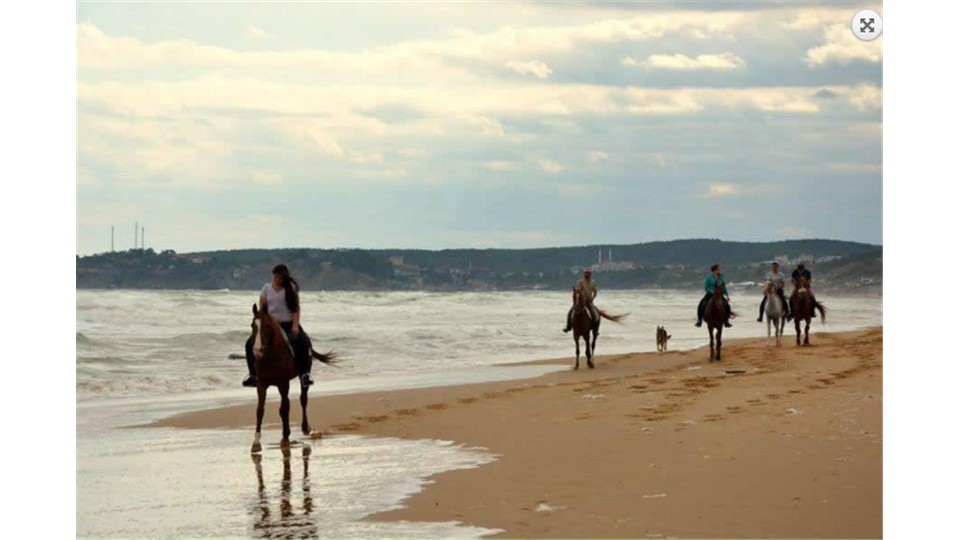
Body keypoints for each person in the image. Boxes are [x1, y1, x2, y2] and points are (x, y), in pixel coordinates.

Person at [243, 264, 314, 388]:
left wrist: (295, 326)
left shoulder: (290, 289)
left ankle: (305, 375)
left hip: (287, 324)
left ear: (284, 278)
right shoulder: (266, 288)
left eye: (280, 278)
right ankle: (252, 375)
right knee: (249, 343)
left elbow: (296, 309)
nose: (277, 280)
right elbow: (262, 310)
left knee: (304, 342)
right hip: (270, 325)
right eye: (275, 277)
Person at [695, 263, 732, 328]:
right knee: (701, 304)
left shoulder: (721, 277)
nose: (720, 270)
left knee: (727, 305)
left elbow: (723, 287)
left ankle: (726, 321)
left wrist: (727, 295)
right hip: (710, 294)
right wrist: (712, 292)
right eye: (719, 269)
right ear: (714, 270)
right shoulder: (709, 278)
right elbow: (706, 287)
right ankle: (699, 320)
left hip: (719, 294)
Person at [563, 268, 599, 333]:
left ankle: (595, 330)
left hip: (588, 301)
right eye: (586, 273)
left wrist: (592, 298)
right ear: (584, 274)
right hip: (580, 301)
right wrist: (579, 292)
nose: (587, 274)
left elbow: (595, 292)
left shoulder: (593, 282)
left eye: (588, 273)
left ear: (590, 274)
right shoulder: (580, 282)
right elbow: (577, 291)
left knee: (595, 315)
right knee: (570, 312)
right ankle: (568, 326)